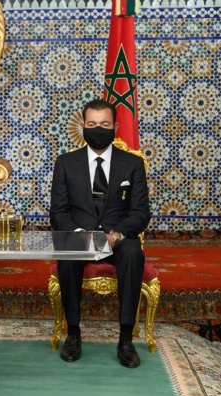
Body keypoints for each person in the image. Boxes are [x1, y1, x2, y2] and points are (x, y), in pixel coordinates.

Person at [50, 99, 151, 368]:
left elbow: (141, 213)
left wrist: (117, 234)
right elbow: (58, 213)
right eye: (92, 124)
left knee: (133, 253)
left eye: (104, 124)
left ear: (115, 127)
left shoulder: (132, 164)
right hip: (80, 236)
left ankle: (126, 338)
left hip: (117, 238)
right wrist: (82, 234)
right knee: (68, 256)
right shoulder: (65, 163)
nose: (98, 129)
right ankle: (73, 333)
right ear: (82, 126)